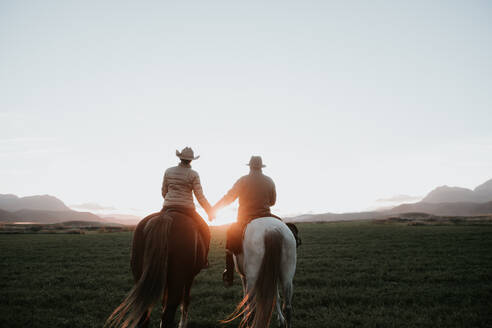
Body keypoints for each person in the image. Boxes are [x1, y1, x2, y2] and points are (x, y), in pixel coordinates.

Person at [212, 155, 279, 286]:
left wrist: (215, 208)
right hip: (266, 215)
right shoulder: (269, 180)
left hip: (245, 219)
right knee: (284, 226)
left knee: (230, 239)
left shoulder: (242, 180)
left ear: (250, 167)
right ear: (261, 167)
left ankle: (229, 274)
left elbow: (229, 197)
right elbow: (273, 202)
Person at [161, 147, 214, 268]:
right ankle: (204, 260)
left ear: (180, 158)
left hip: (167, 207)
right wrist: (210, 211)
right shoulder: (193, 174)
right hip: (187, 209)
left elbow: (164, 191)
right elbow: (200, 196)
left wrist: (170, 200)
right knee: (206, 231)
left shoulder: (168, 171)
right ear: (191, 161)